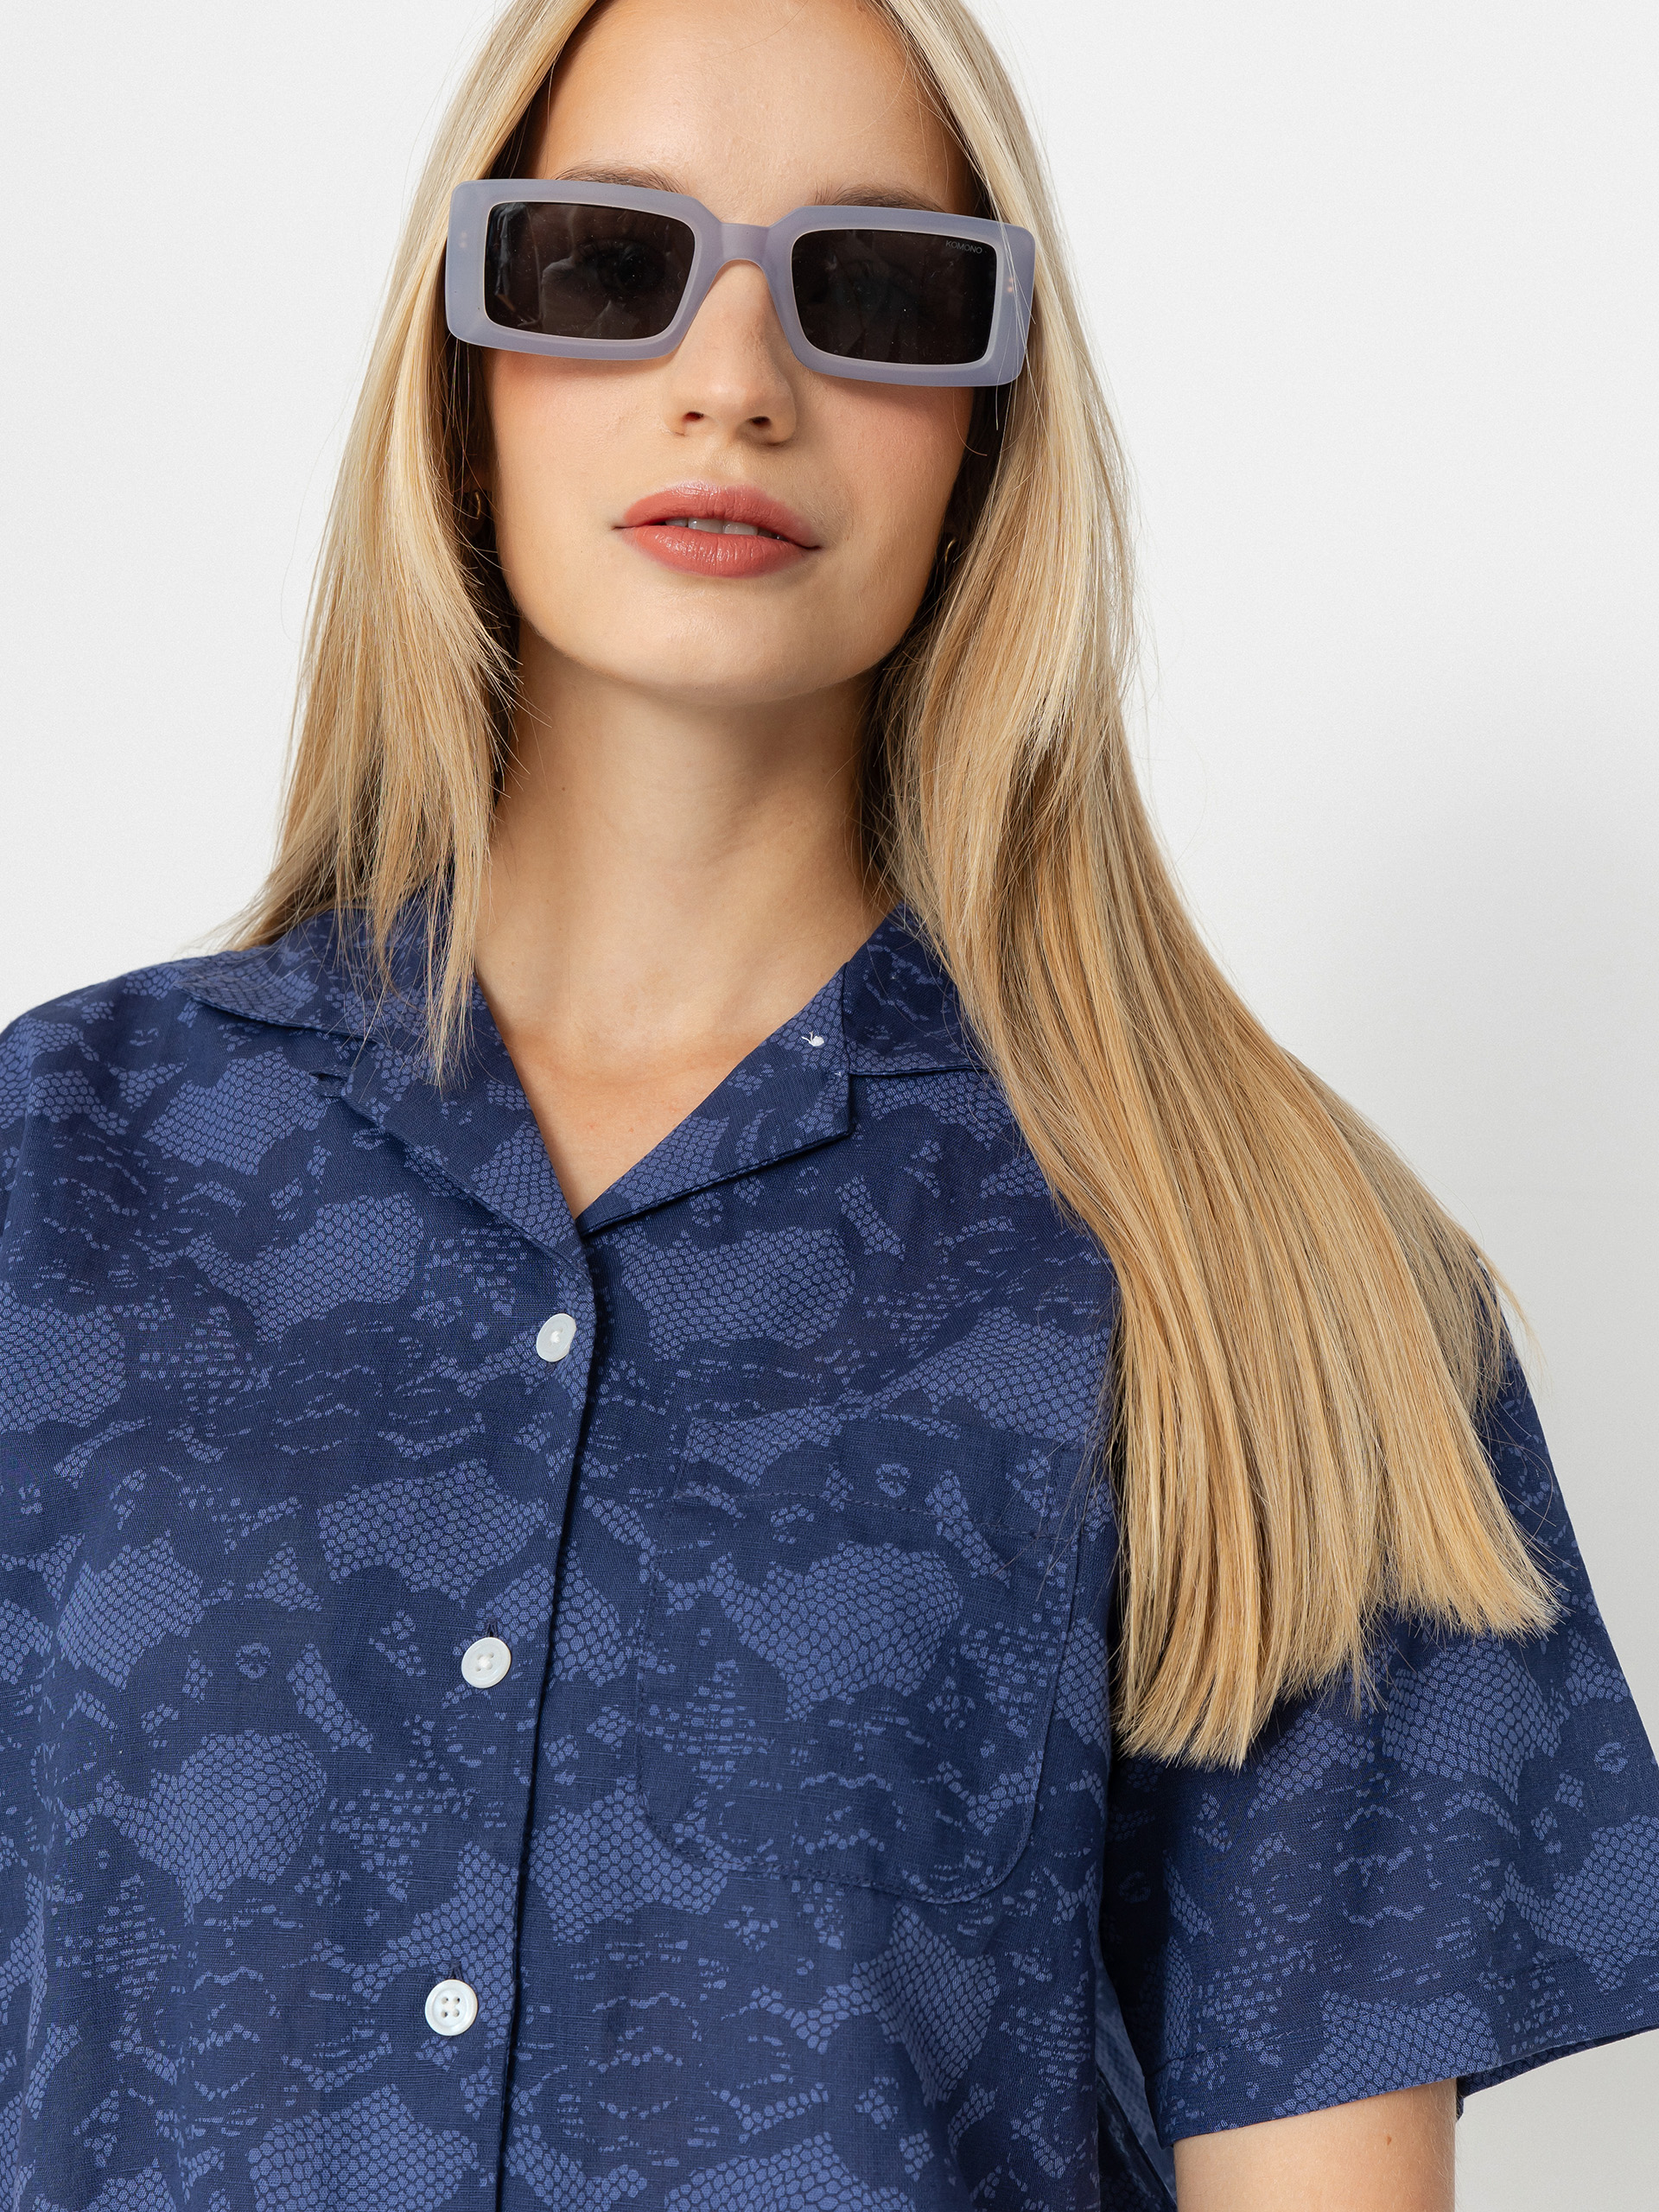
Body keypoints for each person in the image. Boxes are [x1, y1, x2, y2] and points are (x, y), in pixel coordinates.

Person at [2, 0, 1656, 2205]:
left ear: (988, 428)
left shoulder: (1271, 1280)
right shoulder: (61, 1172)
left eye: (876, 290)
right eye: (606, 263)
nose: (737, 379)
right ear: (461, 379)